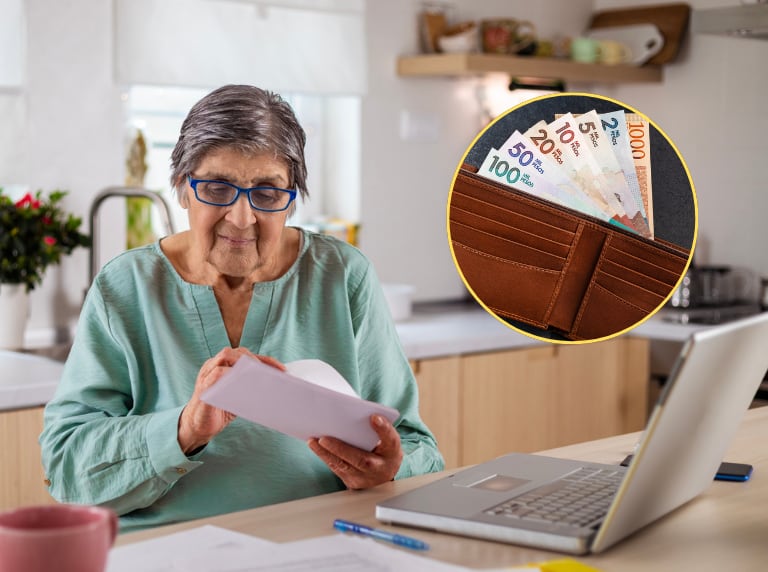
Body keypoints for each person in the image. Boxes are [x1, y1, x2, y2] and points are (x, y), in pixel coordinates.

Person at [40, 84, 444, 532]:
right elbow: (66, 469)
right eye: (217, 188)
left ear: (291, 198)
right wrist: (186, 428)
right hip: (169, 551)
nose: (241, 218)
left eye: (267, 193)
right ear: (181, 187)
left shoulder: (342, 275)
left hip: (318, 545)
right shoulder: (125, 287)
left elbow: (418, 450)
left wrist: (389, 468)